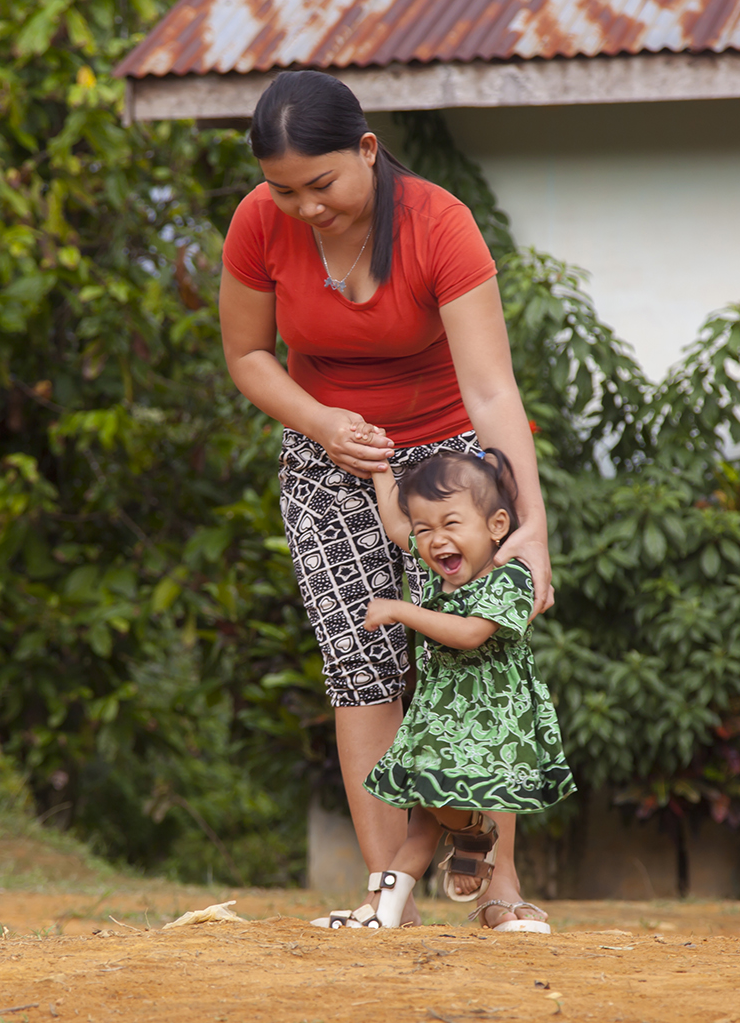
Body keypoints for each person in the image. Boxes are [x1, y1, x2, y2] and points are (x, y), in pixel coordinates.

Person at [217, 70, 555, 927]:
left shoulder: (440, 224)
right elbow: (250, 356)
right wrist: (323, 422)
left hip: (447, 460)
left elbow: (491, 391)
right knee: (357, 661)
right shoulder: (259, 223)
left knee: (473, 658)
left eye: (322, 183)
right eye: (284, 189)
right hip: (325, 453)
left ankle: (499, 887)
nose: (305, 207)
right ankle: (386, 896)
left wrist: (533, 528)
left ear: (367, 150)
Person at [357, 450, 571, 932]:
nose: (435, 540)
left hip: (493, 719)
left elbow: (470, 633)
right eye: (426, 528)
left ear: (497, 525)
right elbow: (397, 527)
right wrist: (377, 469)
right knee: (424, 803)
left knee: (429, 805)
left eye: (450, 523)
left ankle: (464, 843)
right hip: (441, 713)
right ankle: (392, 902)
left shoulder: (509, 575)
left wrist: (400, 609)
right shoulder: (444, 569)